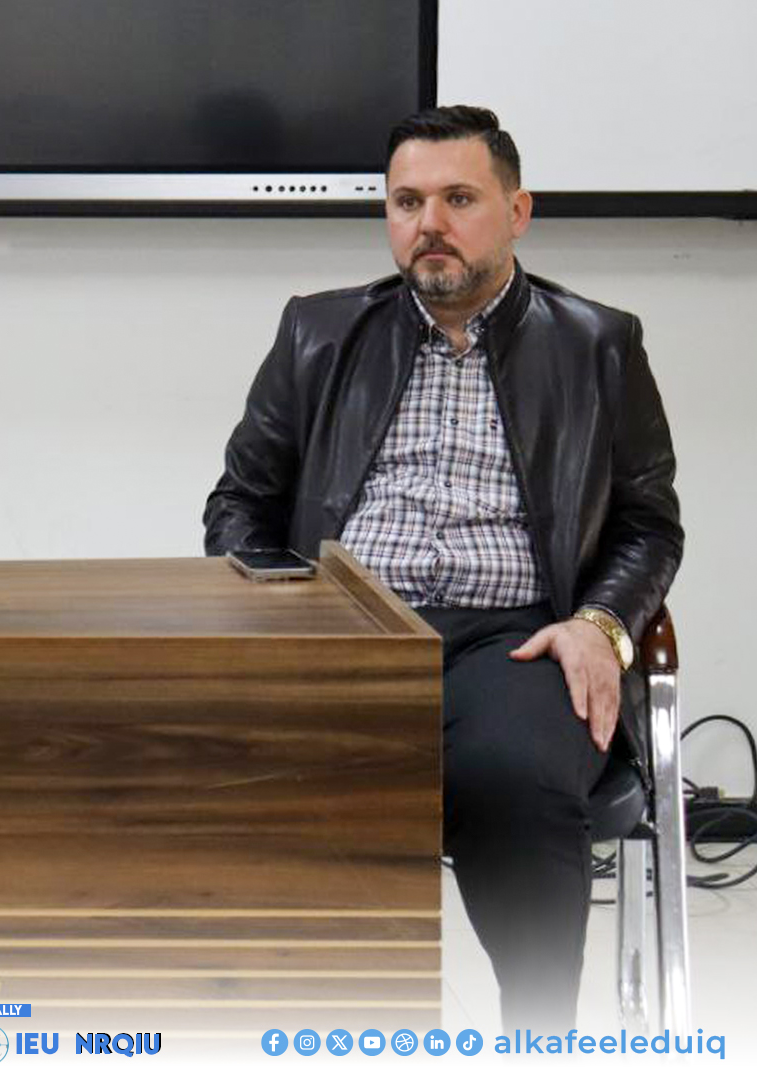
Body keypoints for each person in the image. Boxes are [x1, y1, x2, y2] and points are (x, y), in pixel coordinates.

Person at [203, 105, 681, 1032]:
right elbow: (239, 505)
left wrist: (601, 625)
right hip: (349, 629)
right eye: (407, 201)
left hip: (519, 638)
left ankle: (539, 1039)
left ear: (517, 212)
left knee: (512, 778)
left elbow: (648, 525)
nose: (430, 223)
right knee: (260, 778)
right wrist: (287, 611)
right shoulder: (317, 332)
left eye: (459, 199)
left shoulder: (598, 344)